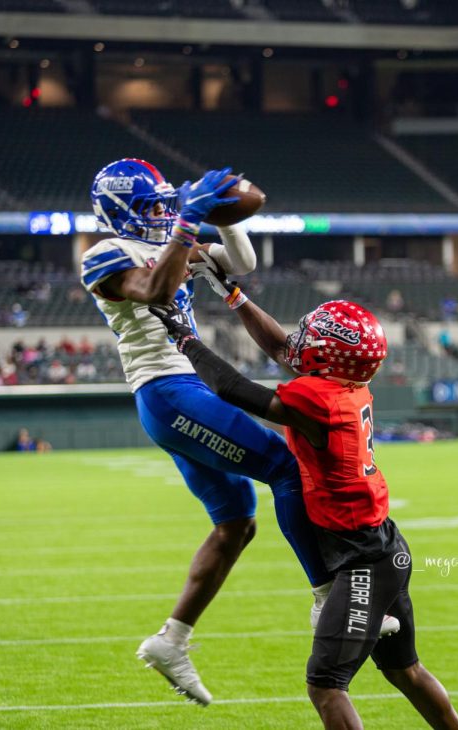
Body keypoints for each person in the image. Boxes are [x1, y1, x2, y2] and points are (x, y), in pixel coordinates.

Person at [150, 268, 458, 730]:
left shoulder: (320, 399)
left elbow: (235, 390)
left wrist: (185, 340)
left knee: (326, 684)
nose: (301, 339)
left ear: (331, 353)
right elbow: (281, 348)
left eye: (314, 336)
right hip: (382, 548)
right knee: (405, 671)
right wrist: (234, 295)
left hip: (360, 560)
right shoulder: (345, 386)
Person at [80, 158, 343, 706]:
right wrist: (185, 226)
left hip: (180, 393)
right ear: (119, 211)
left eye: (165, 203)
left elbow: (240, 261)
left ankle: (171, 640)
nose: (161, 212)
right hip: (168, 389)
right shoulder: (105, 254)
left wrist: (220, 216)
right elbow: (153, 289)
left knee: (236, 523)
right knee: (286, 467)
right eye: (150, 206)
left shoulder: (173, 241)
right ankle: (324, 594)